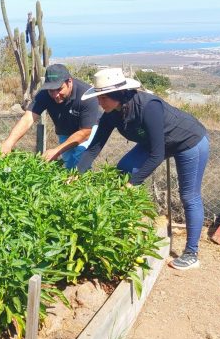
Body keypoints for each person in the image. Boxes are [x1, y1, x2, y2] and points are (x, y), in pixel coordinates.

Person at [77, 68, 209, 270]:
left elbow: (157, 154)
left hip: (188, 141)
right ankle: (124, 228)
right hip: (155, 143)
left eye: (102, 98)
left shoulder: (149, 107)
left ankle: (191, 253)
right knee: (122, 170)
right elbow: (94, 148)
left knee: (189, 196)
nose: (99, 103)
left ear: (117, 95)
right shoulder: (111, 114)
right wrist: (76, 175)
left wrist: (133, 183)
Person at [0, 64, 100, 169]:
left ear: (69, 82)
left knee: (79, 164)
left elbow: (85, 133)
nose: (55, 95)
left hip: (87, 129)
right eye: (51, 90)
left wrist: (57, 150)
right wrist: (9, 143)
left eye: (59, 89)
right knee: (69, 167)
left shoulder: (86, 95)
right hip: (65, 132)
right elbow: (28, 118)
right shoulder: (44, 94)